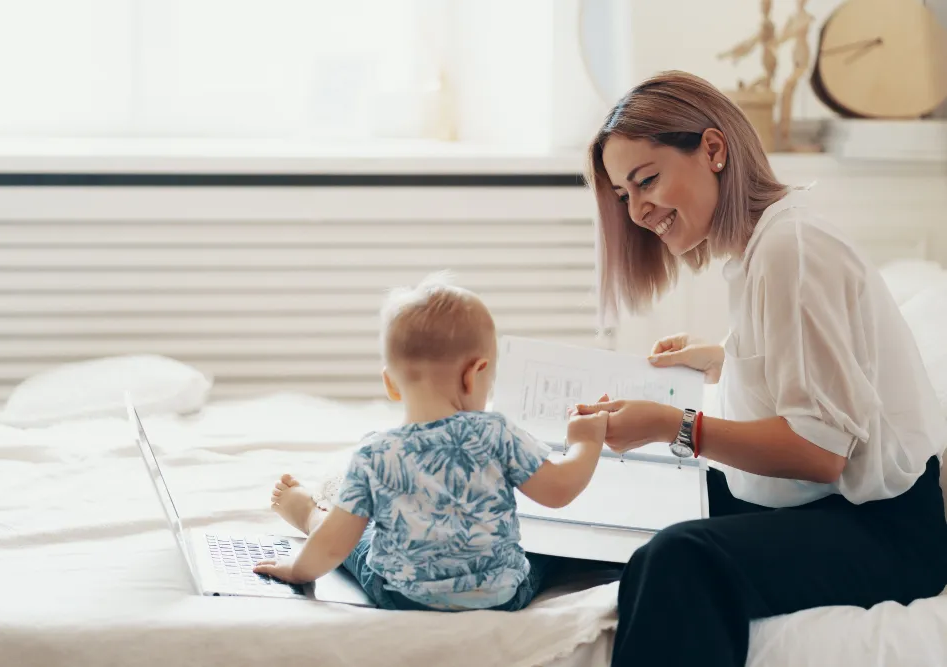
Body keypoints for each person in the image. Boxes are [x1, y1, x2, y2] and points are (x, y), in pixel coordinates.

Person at [575, 70, 947, 667]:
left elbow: (820, 448)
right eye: (624, 195)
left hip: (886, 531)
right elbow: (823, 375)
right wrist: (722, 362)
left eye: (645, 181)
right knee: (648, 500)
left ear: (714, 150)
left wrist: (674, 425)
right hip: (826, 501)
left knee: (680, 557)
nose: (638, 211)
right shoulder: (760, 248)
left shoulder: (790, 248)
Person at [253, 272, 609, 611]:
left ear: (390, 383)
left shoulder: (374, 454)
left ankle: (314, 516)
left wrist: (296, 572)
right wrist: (586, 443)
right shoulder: (497, 432)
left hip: (404, 597)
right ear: (475, 374)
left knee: (353, 535)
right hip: (500, 597)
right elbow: (559, 490)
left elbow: (333, 547)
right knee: (549, 550)